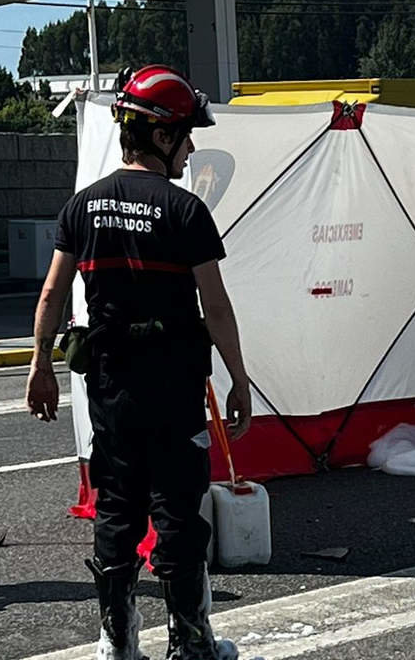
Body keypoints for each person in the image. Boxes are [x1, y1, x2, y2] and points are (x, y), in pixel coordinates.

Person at [25, 65, 252, 660]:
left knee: (118, 507)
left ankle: (118, 642)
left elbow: (51, 294)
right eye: (185, 133)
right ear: (159, 136)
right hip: (174, 388)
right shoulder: (185, 212)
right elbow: (217, 305)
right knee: (178, 510)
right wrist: (240, 380)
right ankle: (192, 643)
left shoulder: (81, 208)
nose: (191, 145)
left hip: (111, 388)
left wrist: (39, 366)